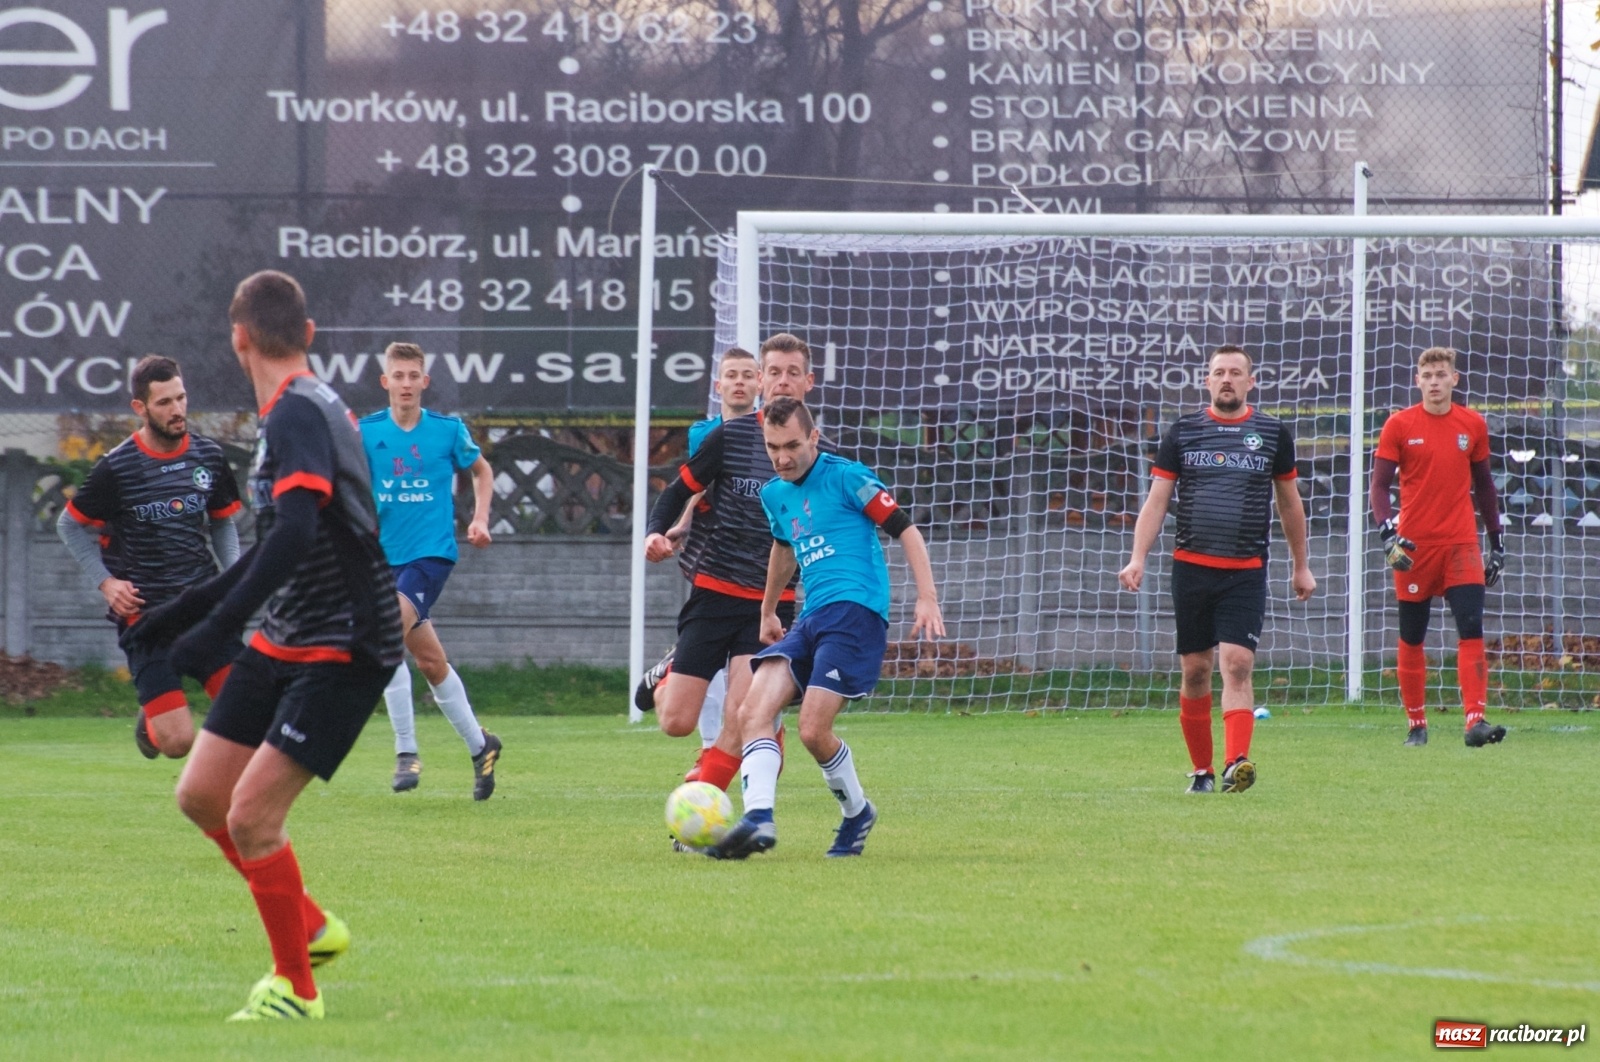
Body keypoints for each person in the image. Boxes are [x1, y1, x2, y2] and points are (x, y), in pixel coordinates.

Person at [127, 270, 404, 1020]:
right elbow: (278, 542)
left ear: (238, 337)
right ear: (308, 335)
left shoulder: (295, 415)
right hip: (290, 633)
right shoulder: (299, 408)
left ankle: (297, 990)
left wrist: (216, 629)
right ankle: (309, 927)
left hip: (348, 638)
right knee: (201, 796)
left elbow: (298, 530)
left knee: (252, 817)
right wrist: (193, 607)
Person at [709, 396, 944, 859]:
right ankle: (758, 818)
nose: (783, 457)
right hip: (810, 616)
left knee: (813, 731)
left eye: (793, 445)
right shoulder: (774, 493)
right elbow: (784, 547)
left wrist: (927, 597)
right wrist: (768, 609)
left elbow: (907, 530)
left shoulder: (848, 477)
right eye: (774, 446)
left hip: (855, 613)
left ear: (813, 437)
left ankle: (857, 812)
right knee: (751, 710)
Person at [1118, 345, 1316, 795]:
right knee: (1195, 671)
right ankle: (1202, 771)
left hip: (1245, 570)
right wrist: (1137, 557)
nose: (1226, 379)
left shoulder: (1271, 433)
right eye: (1218, 373)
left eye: (1235, 373)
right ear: (1207, 382)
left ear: (1251, 381)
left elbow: (1289, 503)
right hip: (1191, 568)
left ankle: (1236, 763)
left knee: (1238, 663)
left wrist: (1301, 565)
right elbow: (1157, 499)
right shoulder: (1184, 432)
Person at [636, 335, 815, 799]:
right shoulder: (732, 436)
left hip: (771, 605)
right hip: (715, 590)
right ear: (761, 380)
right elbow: (679, 490)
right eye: (773, 372)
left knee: (742, 715)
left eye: (792, 372)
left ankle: (699, 806)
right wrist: (658, 530)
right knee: (676, 722)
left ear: (808, 383)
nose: (782, 381)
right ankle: (666, 674)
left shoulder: (816, 450)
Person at [57, 354, 242, 760]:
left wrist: (234, 581)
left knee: (247, 715)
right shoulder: (117, 469)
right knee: (177, 743)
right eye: (164, 403)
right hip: (148, 617)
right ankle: (154, 723)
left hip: (202, 607)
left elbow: (223, 524)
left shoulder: (208, 457)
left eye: (181, 398)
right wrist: (106, 583)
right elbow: (68, 525)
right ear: (139, 408)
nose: (177, 410)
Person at [359, 342, 502, 799]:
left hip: (430, 555)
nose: (405, 383)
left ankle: (406, 752)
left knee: (383, 633)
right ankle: (482, 747)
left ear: (424, 381)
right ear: (385, 382)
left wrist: (479, 519)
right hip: (382, 559)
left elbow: (482, 471)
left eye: (413, 375)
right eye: (397, 375)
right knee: (429, 661)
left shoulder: (446, 431)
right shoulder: (366, 434)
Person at [1371, 346, 1507, 748]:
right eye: (1427, 375)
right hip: (1414, 547)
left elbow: (1484, 487)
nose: (1434, 381)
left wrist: (1496, 543)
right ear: (1418, 381)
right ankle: (1416, 724)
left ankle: (1475, 721)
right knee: (1413, 635)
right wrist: (1387, 536)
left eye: (1440, 374)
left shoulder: (1472, 425)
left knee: (1470, 627)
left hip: (1462, 543)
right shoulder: (1398, 424)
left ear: (1454, 379)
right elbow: (1379, 487)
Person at [637, 347, 761, 781]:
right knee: (679, 716)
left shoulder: (782, 436)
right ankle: (669, 677)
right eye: (733, 375)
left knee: (746, 703)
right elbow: (696, 486)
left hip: (764, 585)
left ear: (759, 384)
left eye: (749, 374)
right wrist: (674, 525)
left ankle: (711, 765)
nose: (741, 382)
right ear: (719, 384)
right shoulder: (709, 434)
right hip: (711, 566)